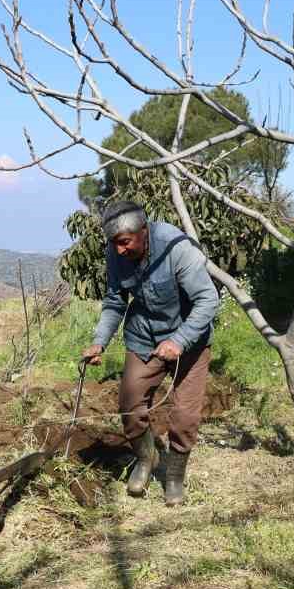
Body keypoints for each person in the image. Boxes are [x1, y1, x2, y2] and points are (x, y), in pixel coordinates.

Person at [81, 200, 220, 505]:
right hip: (143, 337)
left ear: (143, 231)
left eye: (125, 242)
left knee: (184, 416)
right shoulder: (116, 253)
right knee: (130, 407)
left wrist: (179, 340)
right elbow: (115, 301)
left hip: (190, 342)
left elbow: (208, 300)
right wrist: (99, 341)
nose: (119, 251)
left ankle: (174, 477)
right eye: (114, 244)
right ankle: (146, 459)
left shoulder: (178, 249)